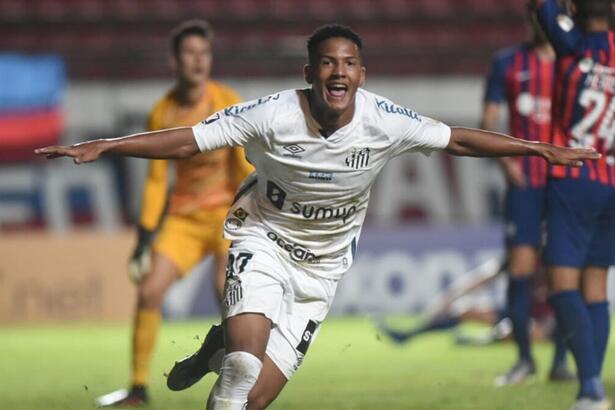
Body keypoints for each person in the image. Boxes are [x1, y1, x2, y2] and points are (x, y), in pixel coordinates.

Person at [36, 24, 599, 410]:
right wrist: (108, 146)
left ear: (362, 73)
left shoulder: (385, 121)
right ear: (309, 72)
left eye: (349, 63)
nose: (339, 71)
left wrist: (540, 150)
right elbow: (190, 142)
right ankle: (227, 351)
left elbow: (460, 141)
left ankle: (216, 346)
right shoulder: (273, 114)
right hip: (263, 239)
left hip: (321, 273)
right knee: (241, 375)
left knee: (257, 396)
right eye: (327, 62)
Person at [94, 20, 253, 407]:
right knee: (148, 291)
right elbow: (155, 182)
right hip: (183, 219)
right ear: (174, 61)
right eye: (190, 53)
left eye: (205, 52)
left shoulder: (227, 101)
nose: (199, 60)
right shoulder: (162, 112)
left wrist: (249, 215)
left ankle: (240, 381)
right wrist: (144, 237)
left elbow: (245, 168)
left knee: (226, 291)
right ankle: (137, 388)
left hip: (225, 216)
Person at [480, 5, 574, 386]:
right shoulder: (507, 62)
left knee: (563, 274)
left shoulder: (576, 64)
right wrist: (506, 163)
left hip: (566, 186)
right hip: (525, 186)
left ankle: (562, 362)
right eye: (538, 12)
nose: (542, 21)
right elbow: (488, 120)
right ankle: (523, 359)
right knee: (520, 272)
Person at [535, 0, 615, 409]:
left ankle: (590, 389)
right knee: (596, 285)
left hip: (573, 177)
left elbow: (544, 7)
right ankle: (593, 385)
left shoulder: (572, 45)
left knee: (563, 284)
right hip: (612, 179)